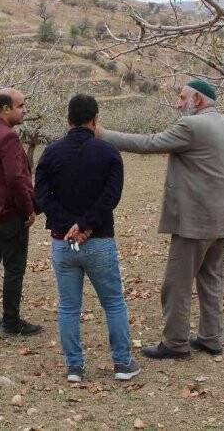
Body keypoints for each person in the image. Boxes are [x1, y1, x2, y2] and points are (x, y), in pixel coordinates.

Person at [97, 79, 224, 359]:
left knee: (176, 284)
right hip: (223, 221)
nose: (178, 104)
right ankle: (211, 338)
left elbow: (149, 143)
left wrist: (104, 134)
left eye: (182, 98)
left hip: (195, 223)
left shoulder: (192, 126)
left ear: (198, 100)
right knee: (212, 281)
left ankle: (176, 343)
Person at [34, 94, 139, 382]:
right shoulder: (108, 153)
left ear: (68, 120)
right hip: (99, 240)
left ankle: (75, 367)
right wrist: (86, 224)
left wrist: (68, 225)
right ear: (95, 120)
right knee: (114, 303)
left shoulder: (51, 153)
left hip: (63, 242)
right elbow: (111, 197)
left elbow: (41, 196)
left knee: (69, 306)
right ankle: (122, 363)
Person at [0, 88, 42, 336]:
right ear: (6, 109)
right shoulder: (8, 138)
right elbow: (15, 179)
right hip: (8, 214)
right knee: (14, 268)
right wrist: (29, 209)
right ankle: (12, 322)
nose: (24, 110)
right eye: (21, 106)